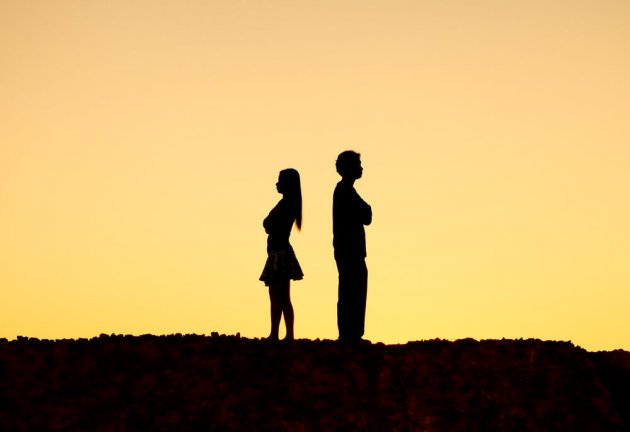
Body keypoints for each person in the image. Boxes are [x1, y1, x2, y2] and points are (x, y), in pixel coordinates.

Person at [259, 168, 304, 341]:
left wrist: (268, 223)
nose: (277, 184)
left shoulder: (286, 204)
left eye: (280, 181)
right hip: (279, 252)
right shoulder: (289, 204)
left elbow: (268, 223)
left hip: (279, 253)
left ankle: (279, 333)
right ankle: (282, 333)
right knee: (281, 296)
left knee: (278, 296)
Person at [333, 151, 372, 343]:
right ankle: (350, 334)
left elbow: (366, 215)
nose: (361, 168)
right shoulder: (345, 191)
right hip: (350, 250)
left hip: (349, 250)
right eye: (358, 164)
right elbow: (367, 214)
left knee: (352, 289)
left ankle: (351, 333)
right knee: (352, 290)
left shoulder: (346, 191)